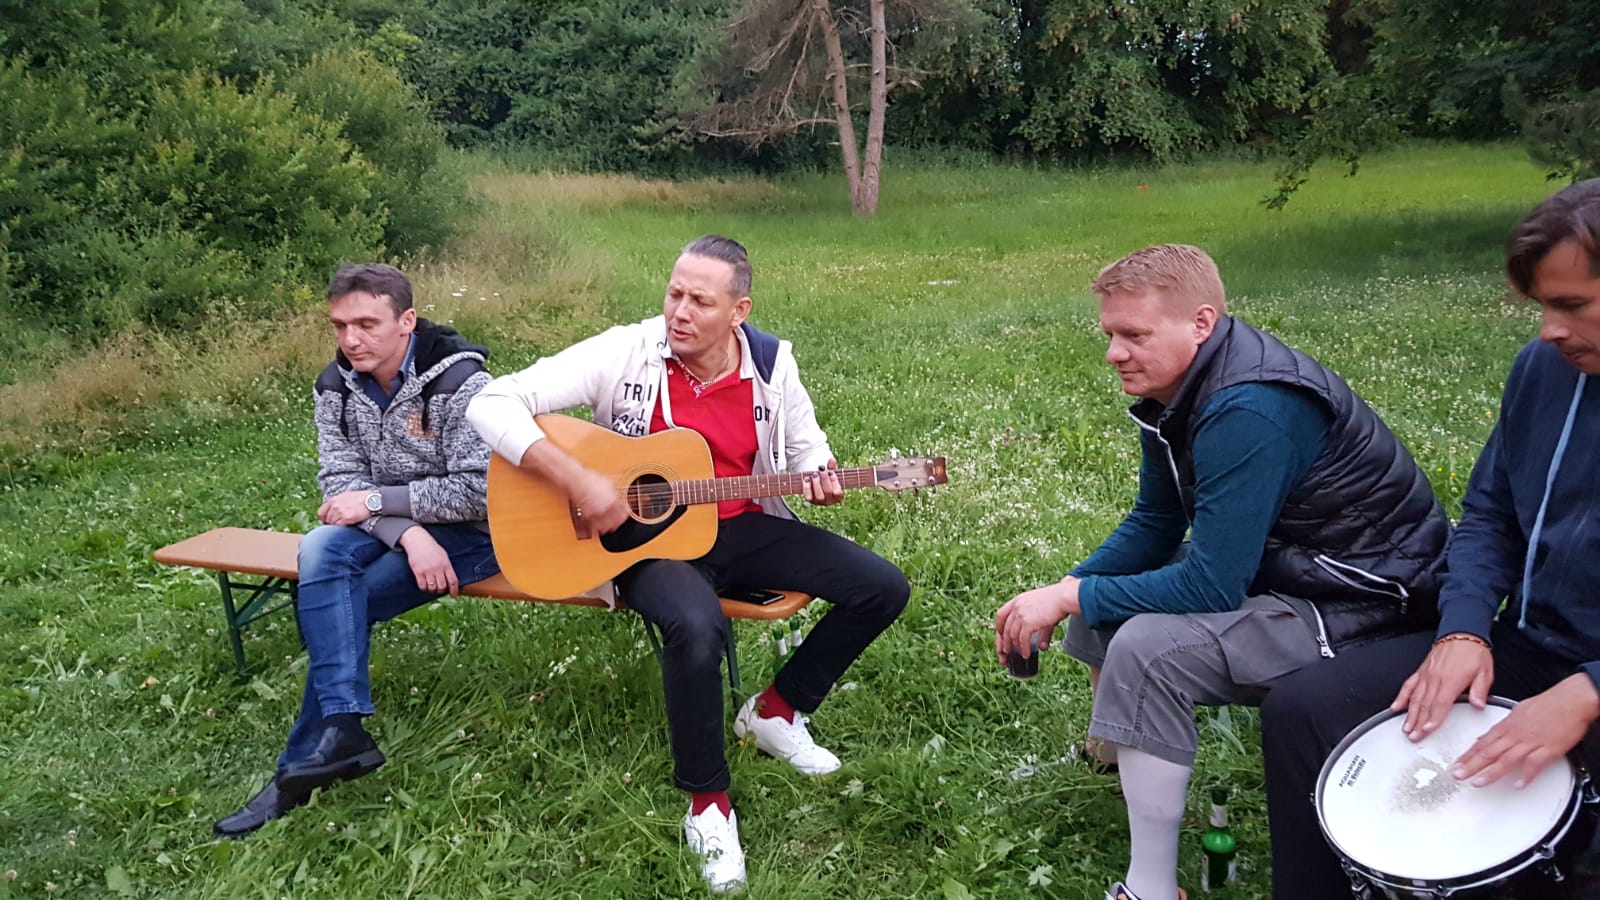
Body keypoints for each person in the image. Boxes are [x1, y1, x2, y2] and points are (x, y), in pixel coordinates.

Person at [993, 244, 1450, 900]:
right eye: (1110, 335)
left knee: (1148, 650)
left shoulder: (1248, 408)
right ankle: (1110, 757)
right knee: (1099, 602)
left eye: (1134, 335)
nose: (1114, 353)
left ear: (1201, 323)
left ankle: (1149, 887)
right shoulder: (1177, 387)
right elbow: (1155, 521)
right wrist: (1067, 590)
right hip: (1293, 568)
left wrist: (1074, 595)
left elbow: (1212, 585)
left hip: (1368, 604)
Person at [465, 234, 909, 893]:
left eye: (700, 301)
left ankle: (777, 712)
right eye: (674, 293)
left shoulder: (772, 365)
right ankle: (708, 803)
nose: (679, 311)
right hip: (641, 542)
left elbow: (807, 448)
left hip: (743, 527)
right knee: (698, 627)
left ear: (738, 311)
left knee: (882, 586)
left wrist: (821, 472)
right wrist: (578, 479)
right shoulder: (626, 350)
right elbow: (489, 401)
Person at [1260, 179, 1600, 899]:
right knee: (1302, 710)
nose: (1549, 331)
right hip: (1531, 645)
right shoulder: (1542, 370)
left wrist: (1589, 693)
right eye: (1541, 306)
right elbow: (1490, 514)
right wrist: (1465, 630)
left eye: (1572, 305)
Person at [213, 263, 499, 837]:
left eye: (367, 324)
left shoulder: (462, 382)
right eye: (341, 326)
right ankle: (342, 728)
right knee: (321, 546)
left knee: (345, 602)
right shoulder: (335, 387)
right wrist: (407, 533)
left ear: (406, 321)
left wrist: (377, 503)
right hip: (390, 527)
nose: (351, 339)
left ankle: (298, 771)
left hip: (477, 534)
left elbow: (479, 490)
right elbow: (338, 484)